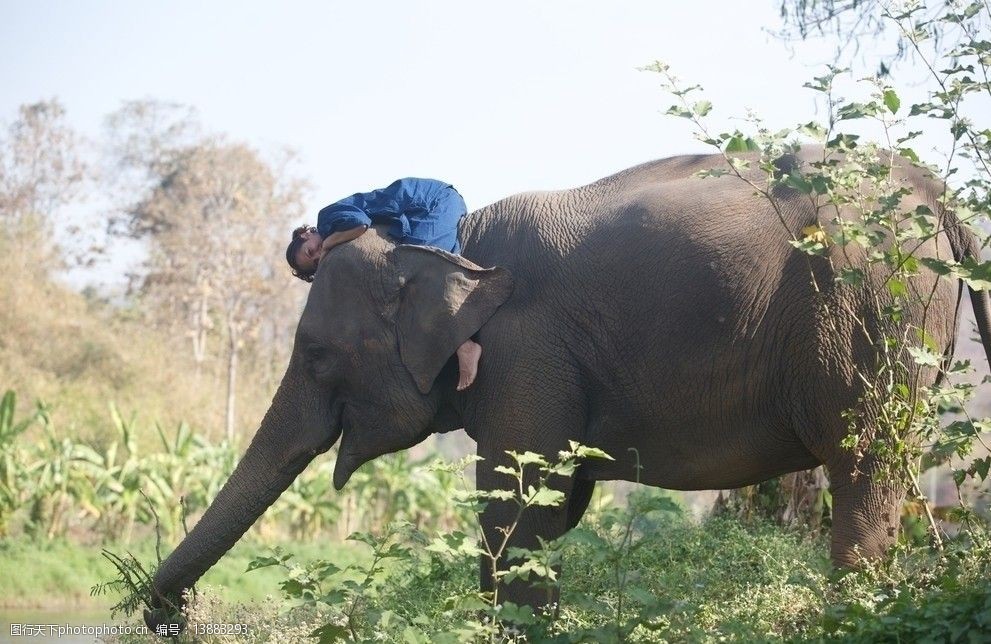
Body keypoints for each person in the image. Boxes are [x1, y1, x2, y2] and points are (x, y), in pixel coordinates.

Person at [285, 177, 482, 391]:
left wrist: (327, 247)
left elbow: (359, 224)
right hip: (423, 213)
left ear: (306, 234)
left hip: (431, 202)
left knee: (421, 268)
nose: (317, 254)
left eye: (310, 250)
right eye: (314, 262)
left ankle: (465, 345)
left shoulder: (326, 218)